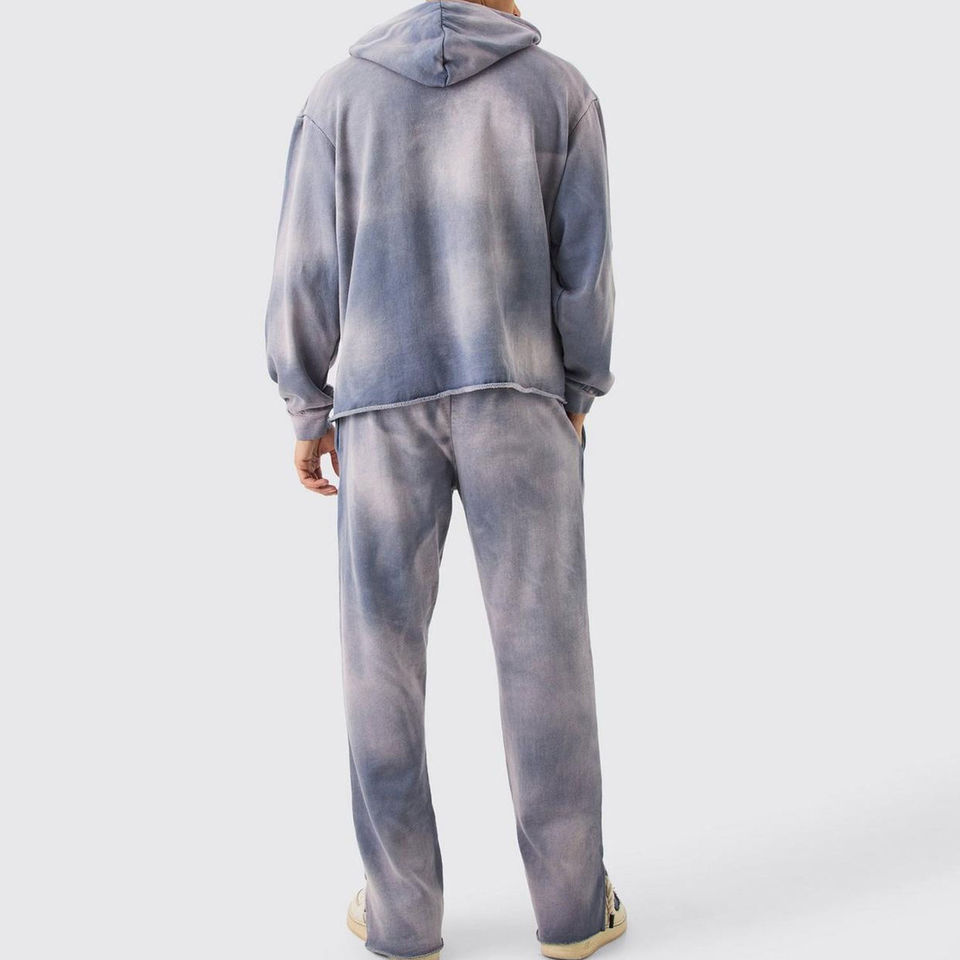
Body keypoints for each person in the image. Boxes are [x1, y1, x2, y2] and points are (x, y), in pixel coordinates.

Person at [265, 1, 623, 957]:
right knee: (546, 654)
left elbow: (304, 264)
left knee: (380, 661)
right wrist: (578, 386)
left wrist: (306, 403)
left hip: (381, 406)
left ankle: (402, 918)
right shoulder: (556, 91)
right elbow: (584, 266)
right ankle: (571, 913)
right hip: (520, 398)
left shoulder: (340, 97)